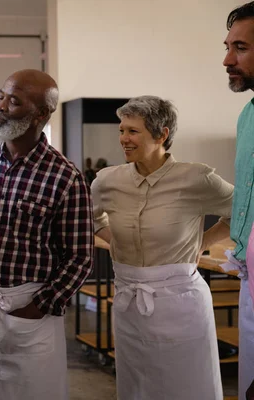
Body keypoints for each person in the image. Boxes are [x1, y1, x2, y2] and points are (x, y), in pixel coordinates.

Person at [0, 69, 94, 400]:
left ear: (39, 114)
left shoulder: (65, 178)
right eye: (1, 96)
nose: (0, 106)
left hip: (30, 311)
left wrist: (41, 305)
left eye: (13, 101)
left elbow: (80, 256)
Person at [92, 96, 233, 400]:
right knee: (137, 387)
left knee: (186, 387)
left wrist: (202, 243)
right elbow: (92, 216)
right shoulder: (107, 180)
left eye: (133, 131)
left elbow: (244, 211)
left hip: (181, 303)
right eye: (121, 130)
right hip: (129, 301)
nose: (123, 140)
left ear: (162, 135)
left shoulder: (196, 178)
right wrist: (113, 238)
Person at [223, 3, 254, 398]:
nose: (227, 59)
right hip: (248, 278)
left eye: (241, 48)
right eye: (228, 46)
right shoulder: (247, 115)